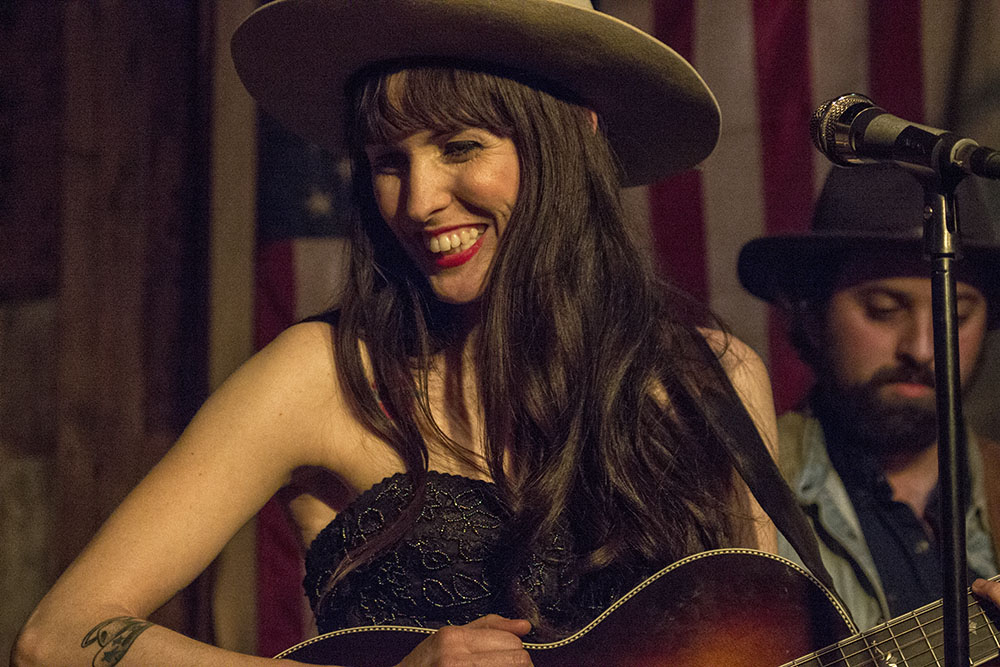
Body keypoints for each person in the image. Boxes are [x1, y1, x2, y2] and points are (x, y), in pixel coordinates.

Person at [11, 0, 999, 664]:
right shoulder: (321, 375)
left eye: (459, 146)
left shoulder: (709, 376)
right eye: (386, 158)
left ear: (571, 138)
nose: (418, 197)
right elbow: (58, 635)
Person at [738, 162, 1000, 632]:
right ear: (813, 316)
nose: (922, 349)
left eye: (956, 316)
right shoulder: (740, 498)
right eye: (884, 310)